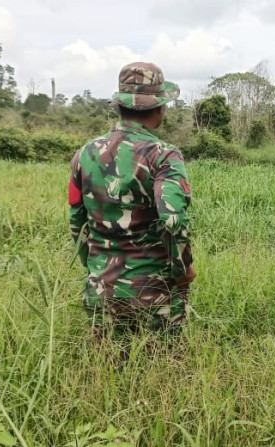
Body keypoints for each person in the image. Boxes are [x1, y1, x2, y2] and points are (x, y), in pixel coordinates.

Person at [68, 62, 195, 340]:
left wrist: (95, 268)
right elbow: (173, 218)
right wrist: (183, 268)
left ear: (120, 106)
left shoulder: (84, 154)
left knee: (106, 372)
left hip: (100, 290)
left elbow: (76, 221)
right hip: (154, 292)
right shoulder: (163, 155)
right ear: (160, 107)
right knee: (161, 371)